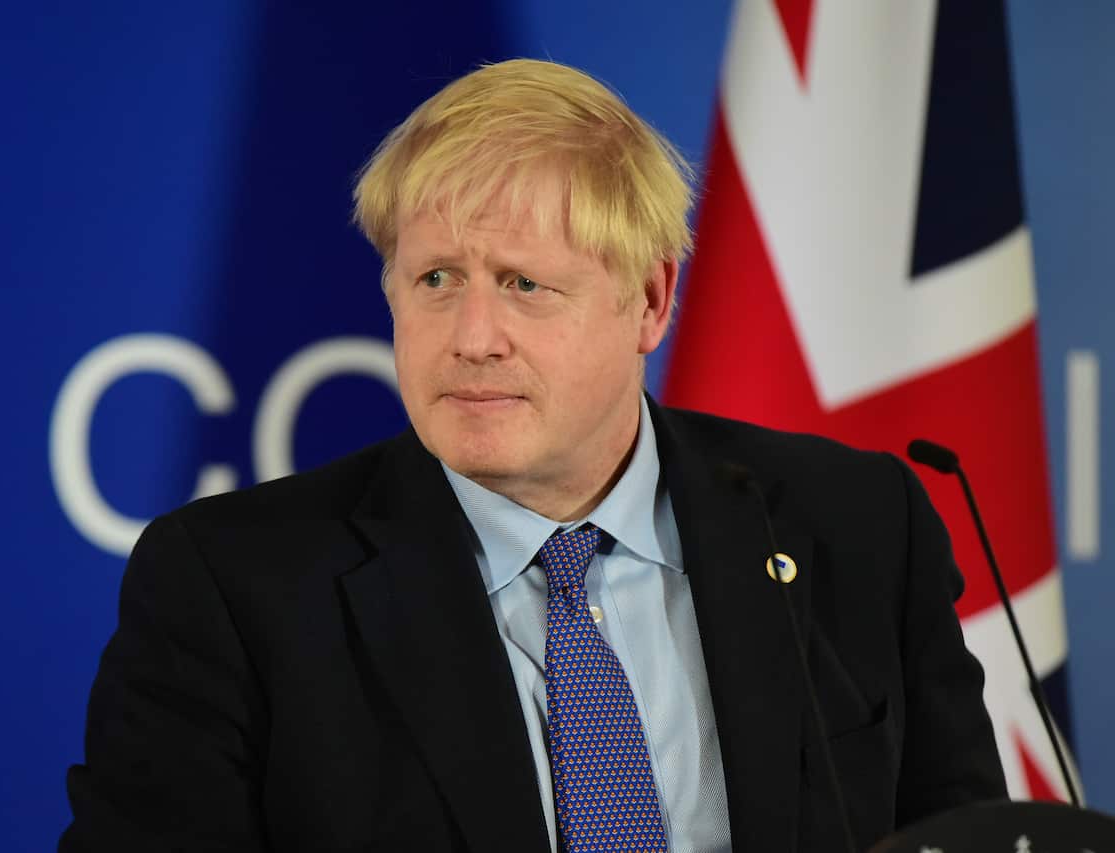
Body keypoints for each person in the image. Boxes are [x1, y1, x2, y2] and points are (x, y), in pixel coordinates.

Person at [60, 59, 1006, 853]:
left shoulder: (856, 528)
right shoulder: (236, 585)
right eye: (437, 279)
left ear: (648, 300)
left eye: (524, 284)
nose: (473, 335)